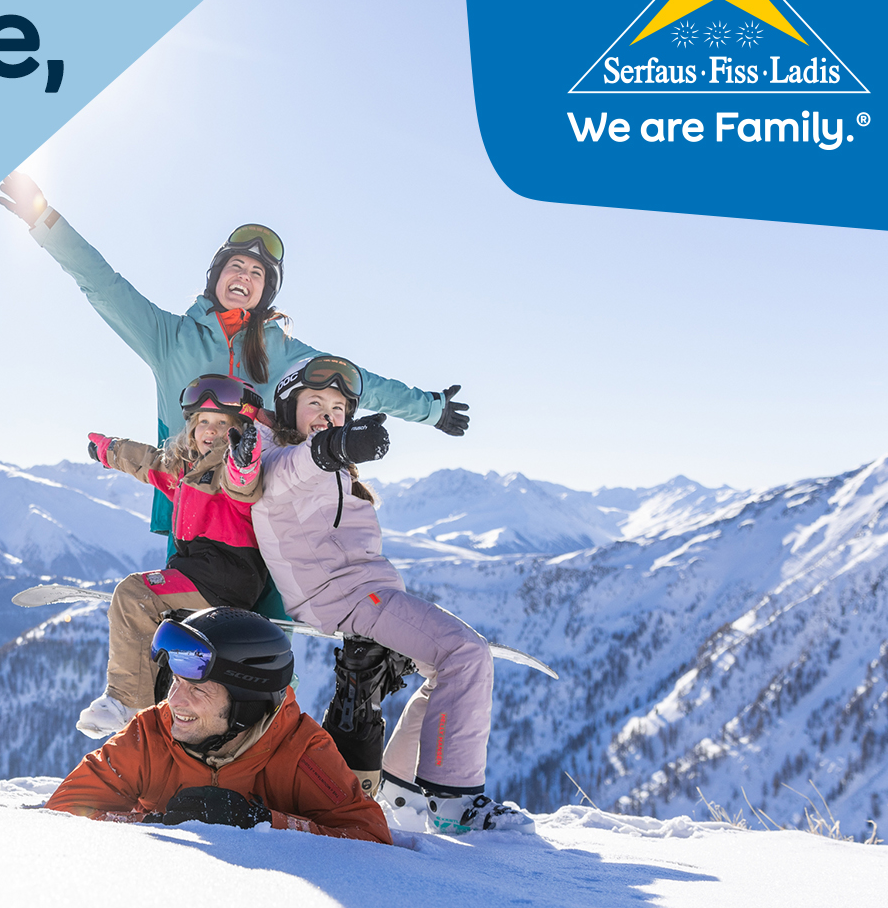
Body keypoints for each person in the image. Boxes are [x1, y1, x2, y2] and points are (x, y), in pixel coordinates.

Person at [0, 170, 470, 551]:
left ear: (266, 292)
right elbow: (103, 284)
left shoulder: (282, 352)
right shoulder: (168, 338)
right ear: (217, 277)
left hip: (267, 515)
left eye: (257, 273)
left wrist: (431, 409)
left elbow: (357, 382)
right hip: (193, 507)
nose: (244, 276)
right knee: (187, 650)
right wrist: (44, 221)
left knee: (262, 654)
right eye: (235, 266)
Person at [250, 354, 535, 834]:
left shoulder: (326, 465)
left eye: (339, 408)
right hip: (344, 598)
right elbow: (300, 465)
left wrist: (338, 447)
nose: (327, 412)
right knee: (466, 653)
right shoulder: (277, 459)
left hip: (363, 593)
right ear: (286, 409)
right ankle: (454, 807)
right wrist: (335, 444)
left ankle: (403, 791)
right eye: (314, 402)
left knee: (445, 668)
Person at [46, 607, 392, 845]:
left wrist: (262, 822)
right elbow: (64, 812)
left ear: (246, 701)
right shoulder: (151, 734)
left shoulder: (301, 751)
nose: (175, 702)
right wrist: (157, 825)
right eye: (176, 683)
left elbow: (370, 839)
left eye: (197, 689)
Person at [76, 374, 273, 736]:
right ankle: (156, 712)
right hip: (199, 573)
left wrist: (244, 461)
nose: (210, 431)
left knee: (135, 594)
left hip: (226, 573)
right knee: (167, 642)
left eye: (221, 423)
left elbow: (243, 484)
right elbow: (148, 463)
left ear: (237, 428)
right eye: (203, 422)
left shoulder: (228, 467)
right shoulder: (184, 469)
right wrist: (109, 449)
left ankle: (126, 701)